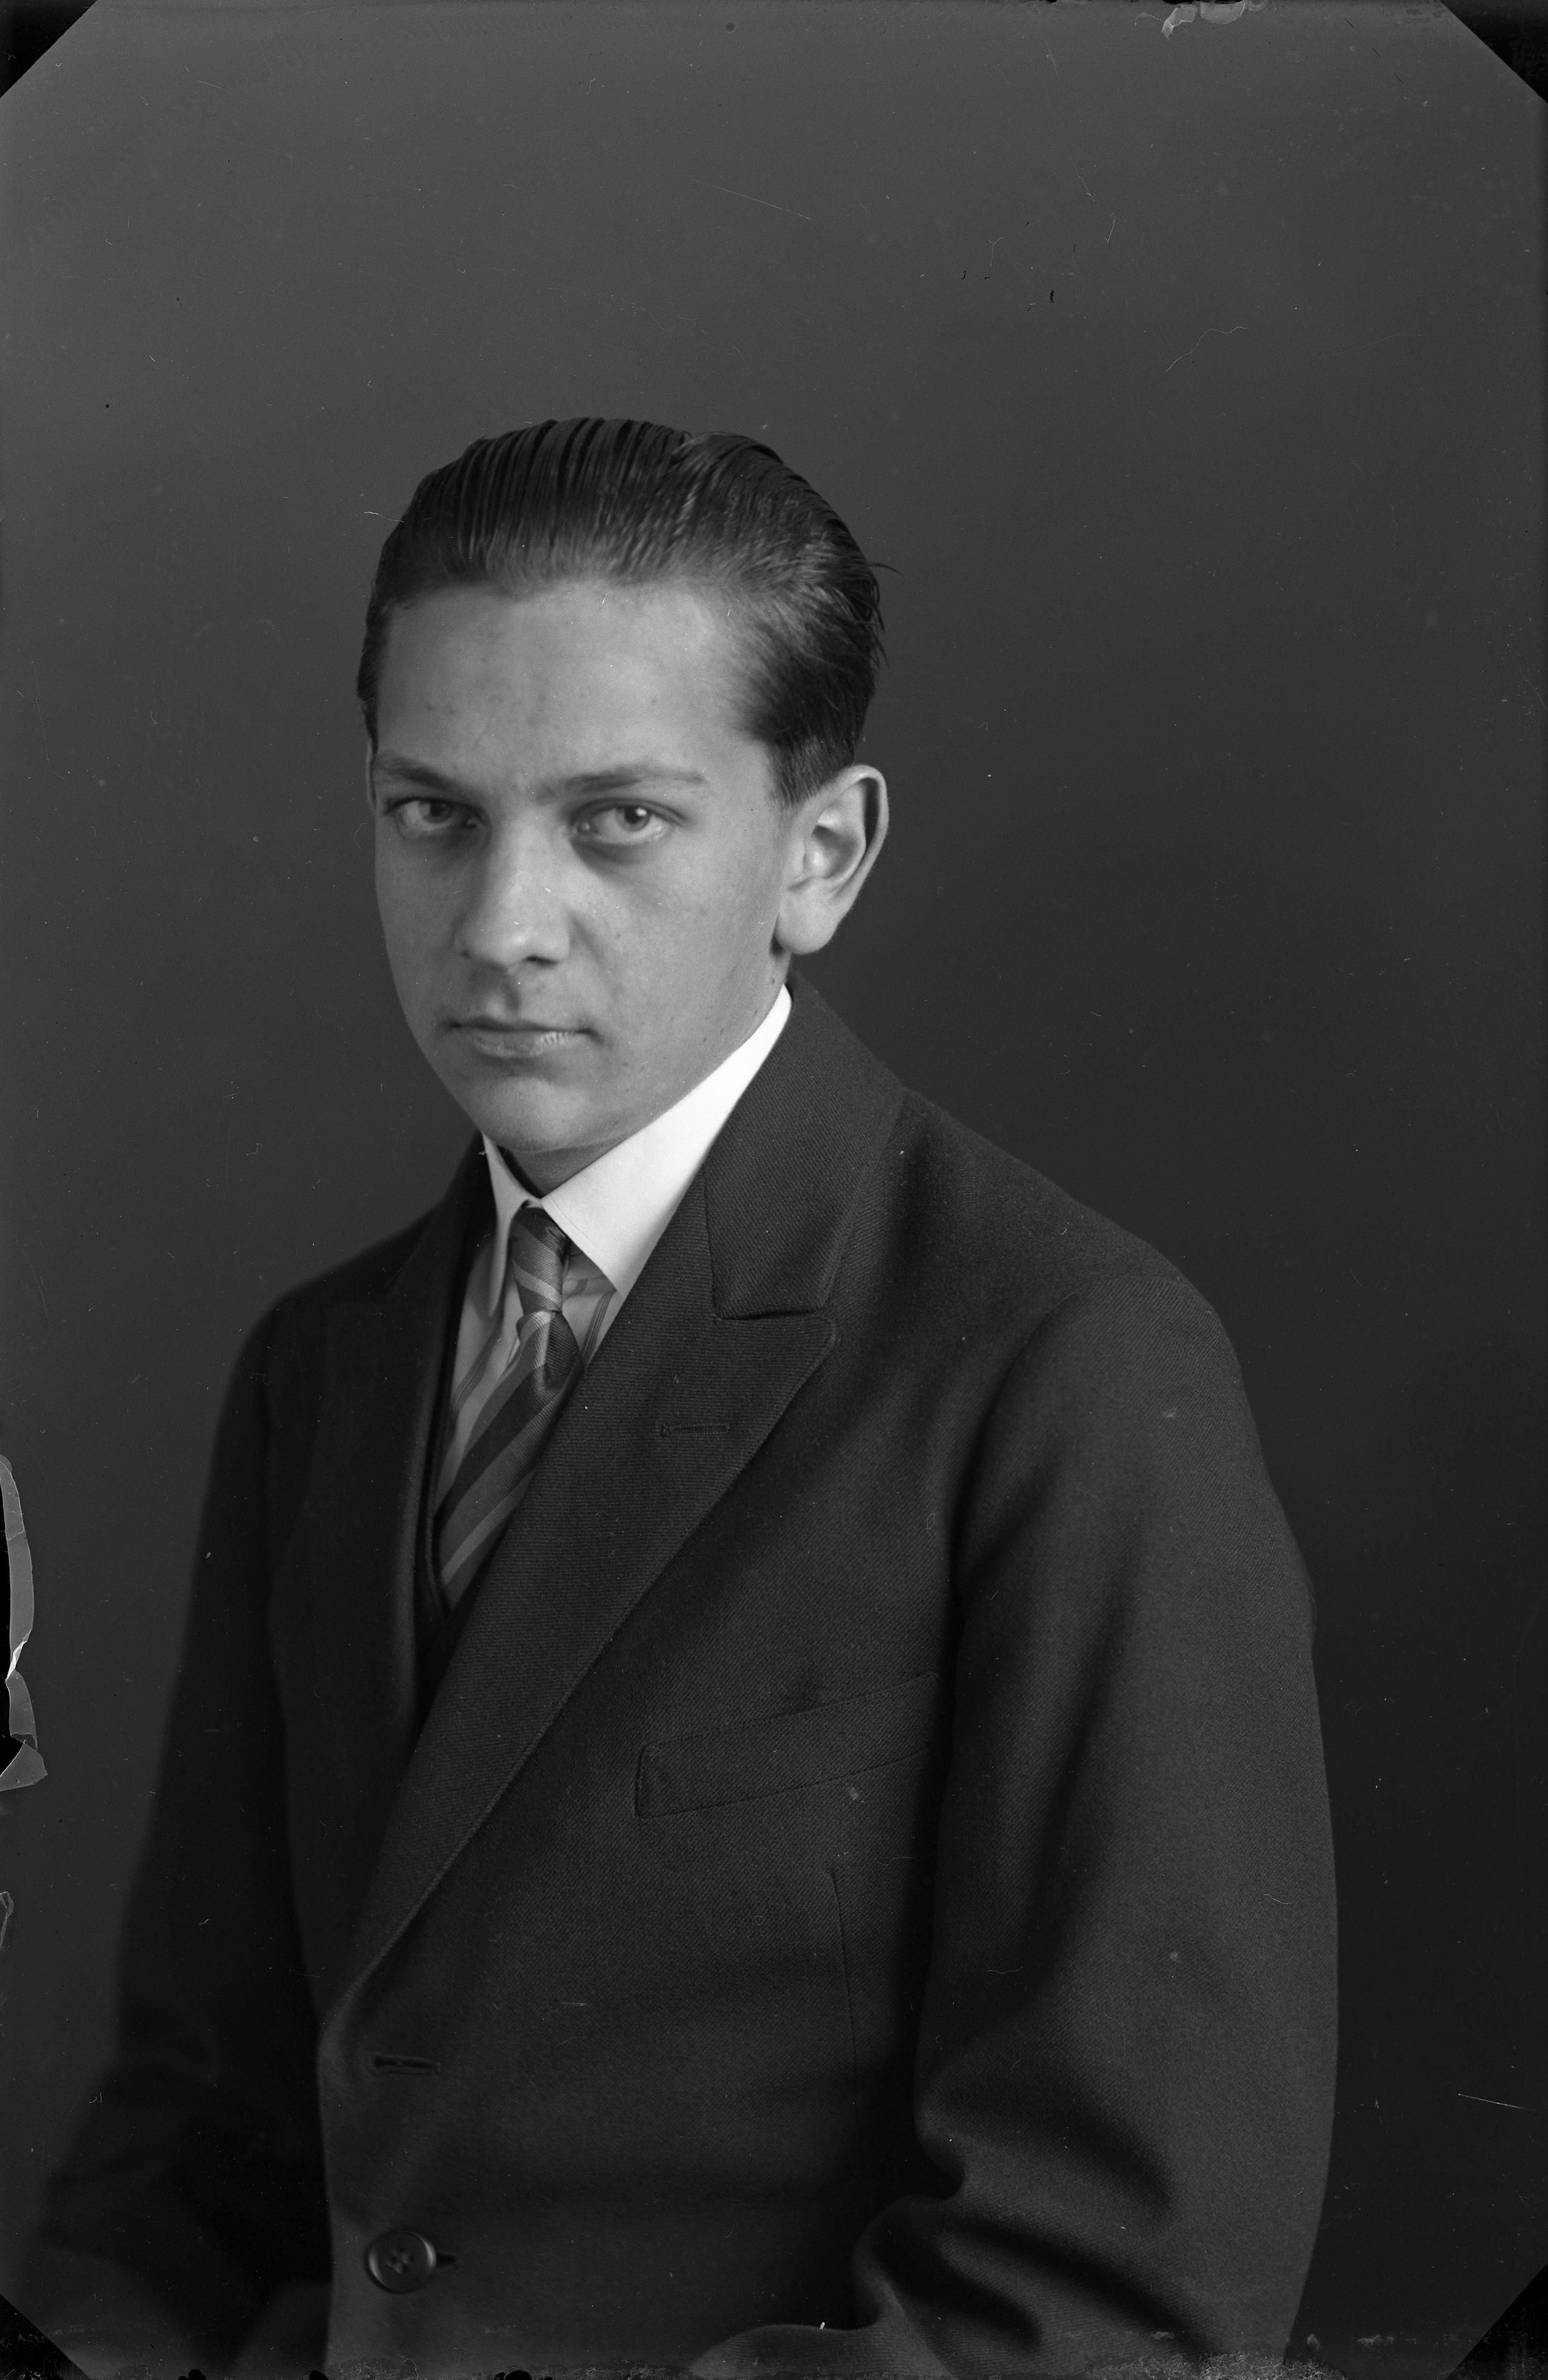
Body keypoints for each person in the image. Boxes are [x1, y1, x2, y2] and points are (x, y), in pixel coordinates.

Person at [20, 419, 1337, 2380]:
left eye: (617, 819)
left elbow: (1113, 2281)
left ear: (822, 856)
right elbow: (192, 2142)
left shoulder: (1063, 1363)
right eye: (430, 812)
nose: (500, 923)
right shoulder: (323, 1367)